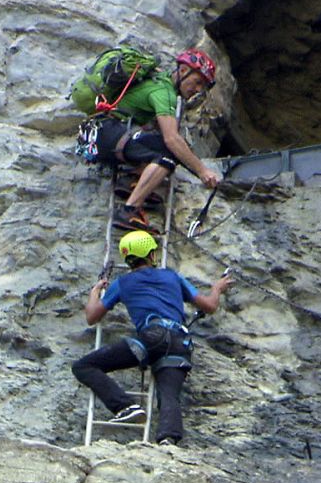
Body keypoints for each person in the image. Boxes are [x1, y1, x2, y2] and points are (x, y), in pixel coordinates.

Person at [71, 230, 233, 445]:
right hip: (180, 342)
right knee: (168, 395)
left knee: (84, 366)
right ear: (150, 254)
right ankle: (168, 439)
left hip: (151, 337)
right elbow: (209, 306)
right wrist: (217, 288)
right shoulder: (171, 276)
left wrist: (95, 291)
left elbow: (92, 316)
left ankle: (125, 406)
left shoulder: (123, 283)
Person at [93, 49, 224, 232]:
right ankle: (128, 211)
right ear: (184, 71)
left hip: (101, 133)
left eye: (202, 86)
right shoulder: (164, 92)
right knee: (169, 153)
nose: (197, 90)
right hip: (109, 133)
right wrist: (202, 171)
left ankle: (131, 182)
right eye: (197, 82)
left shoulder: (158, 81)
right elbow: (172, 139)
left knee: (157, 142)